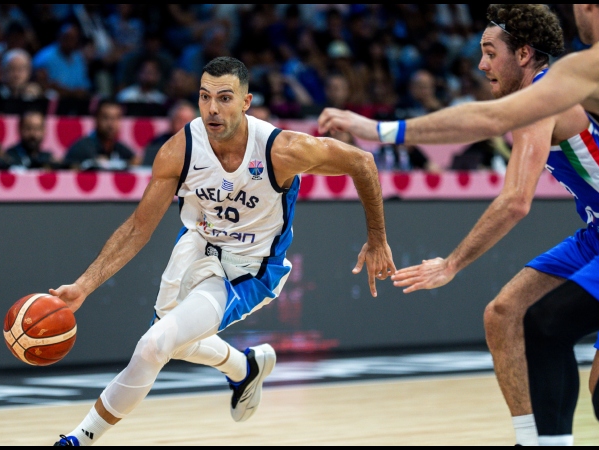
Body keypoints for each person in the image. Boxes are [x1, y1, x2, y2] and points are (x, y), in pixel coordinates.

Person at [318, 3, 599, 443]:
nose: (482, 64)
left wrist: (380, 130)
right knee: (510, 314)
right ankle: (532, 439)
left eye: (490, 52)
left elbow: (514, 195)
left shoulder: (579, 75)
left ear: (525, 53)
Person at [51, 57, 395, 446]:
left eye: (225, 98)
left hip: (250, 268)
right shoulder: (181, 149)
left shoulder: (282, 149)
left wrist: (378, 238)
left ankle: (80, 438)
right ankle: (244, 367)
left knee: (154, 345)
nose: (213, 108)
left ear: (246, 102)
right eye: (204, 97)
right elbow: (137, 228)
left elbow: (362, 163)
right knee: (172, 343)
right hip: (197, 247)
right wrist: (84, 285)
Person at [64, 99, 137, 171]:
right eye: (106, 118)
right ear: (96, 119)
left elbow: (135, 160)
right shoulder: (81, 148)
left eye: (116, 118)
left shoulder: (118, 146)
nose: (111, 124)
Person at [0, 49, 45, 114]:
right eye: (12, 69)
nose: (16, 74)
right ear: (2, 71)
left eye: (21, 69)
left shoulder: (37, 96)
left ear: (29, 72)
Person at [141, 101, 197, 167]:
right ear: (171, 122)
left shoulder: (203, 144)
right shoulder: (158, 143)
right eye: (179, 120)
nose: (183, 125)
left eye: (187, 121)